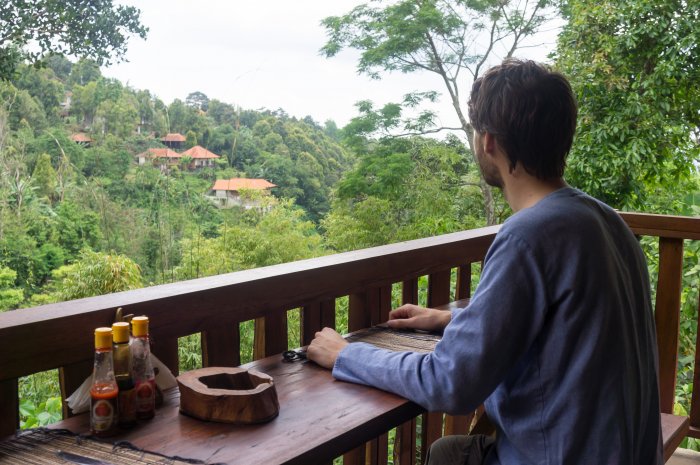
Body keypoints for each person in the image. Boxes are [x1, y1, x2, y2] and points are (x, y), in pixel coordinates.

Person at [307, 58, 663, 465]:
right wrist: (450, 320)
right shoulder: (605, 221)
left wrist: (346, 354)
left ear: (487, 142)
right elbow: (561, 333)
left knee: (448, 456)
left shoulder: (529, 235)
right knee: (449, 452)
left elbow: (452, 384)